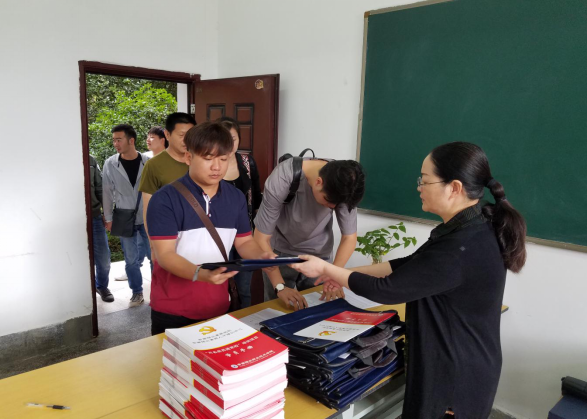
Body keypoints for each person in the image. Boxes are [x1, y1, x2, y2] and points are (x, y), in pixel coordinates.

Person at [290, 142, 527, 419]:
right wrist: (336, 273)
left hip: (455, 377)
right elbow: (410, 263)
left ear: (454, 188)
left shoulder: (460, 247)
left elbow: (386, 290)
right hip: (463, 359)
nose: (419, 187)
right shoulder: (470, 226)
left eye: (425, 180)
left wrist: (326, 269)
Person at [146, 122, 275, 335]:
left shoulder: (235, 198)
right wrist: (199, 273)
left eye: (223, 159)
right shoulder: (165, 199)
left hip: (218, 304)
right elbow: (165, 255)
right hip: (173, 308)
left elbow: (244, 242)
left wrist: (262, 257)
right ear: (189, 158)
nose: (217, 167)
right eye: (208, 159)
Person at [253, 155, 365, 310]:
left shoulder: (345, 183)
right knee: (277, 309)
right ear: (318, 182)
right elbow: (261, 238)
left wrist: (334, 274)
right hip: (279, 254)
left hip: (320, 256)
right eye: (328, 202)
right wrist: (279, 286)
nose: (333, 208)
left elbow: (349, 237)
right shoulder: (283, 177)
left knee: (320, 309)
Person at [103, 124, 152, 307]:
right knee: (131, 260)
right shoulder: (110, 163)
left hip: (148, 217)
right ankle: (137, 292)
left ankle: (159, 290)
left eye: (119, 139)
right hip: (124, 217)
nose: (115, 143)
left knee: (154, 258)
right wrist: (108, 218)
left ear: (131, 140)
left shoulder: (148, 162)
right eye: (114, 140)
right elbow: (107, 193)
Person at [139, 112, 196, 260]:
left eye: (190, 134)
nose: (187, 140)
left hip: (199, 238)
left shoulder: (199, 161)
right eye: (182, 135)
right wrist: (153, 245)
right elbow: (148, 209)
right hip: (168, 240)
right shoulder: (154, 165)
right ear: (167, 134)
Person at [219, 117, 262, 307]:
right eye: (224, 138)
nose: (229, 143)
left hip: (245, 233)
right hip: (219, 235)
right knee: (220, 285)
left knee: (244, 287)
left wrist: (257, 232)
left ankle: (244, 320)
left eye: (233, 138)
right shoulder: (212, 165)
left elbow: (257, 197)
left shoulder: (247, 162)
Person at [89, 155, 113, 303]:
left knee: (104, 258)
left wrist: (106, 213)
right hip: (70, 219)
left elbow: (100, 187)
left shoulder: (90, 160)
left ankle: (102, 286)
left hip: (94, 216)